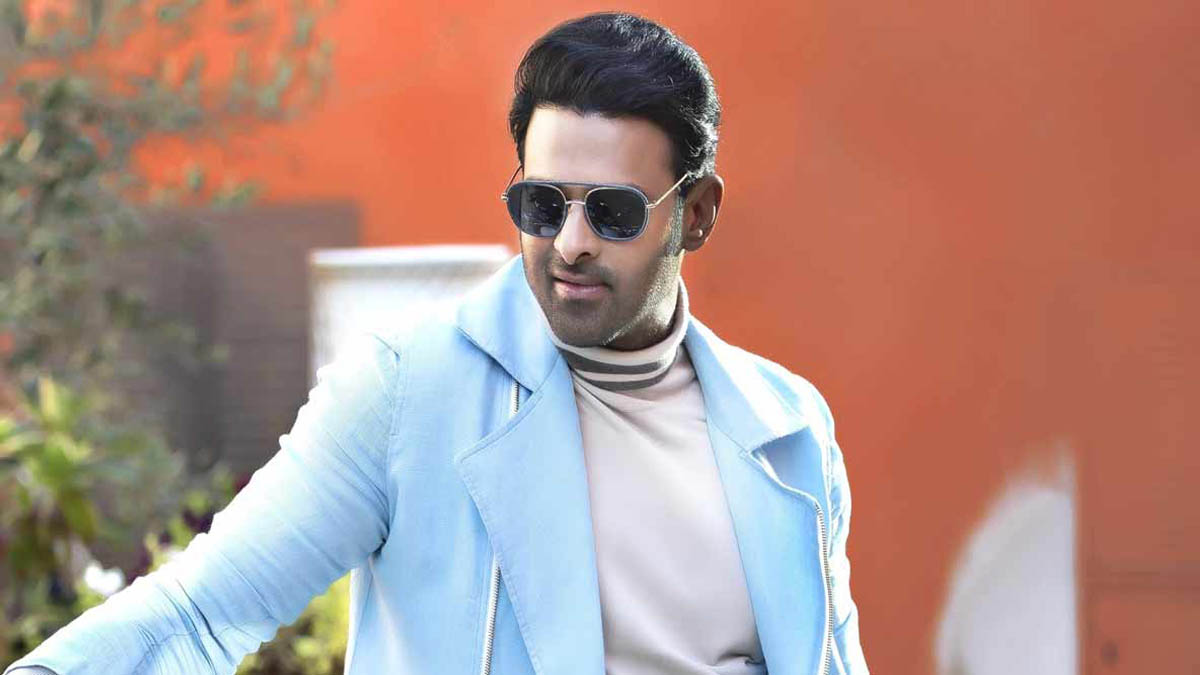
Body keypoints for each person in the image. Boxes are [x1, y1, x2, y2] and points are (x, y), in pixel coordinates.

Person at [5, 11, 868, 675]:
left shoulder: (789, 427)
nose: (570, 243)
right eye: (542, 205)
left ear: (699, 212)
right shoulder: (410, 390)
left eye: (612, 212)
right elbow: (200, 614)